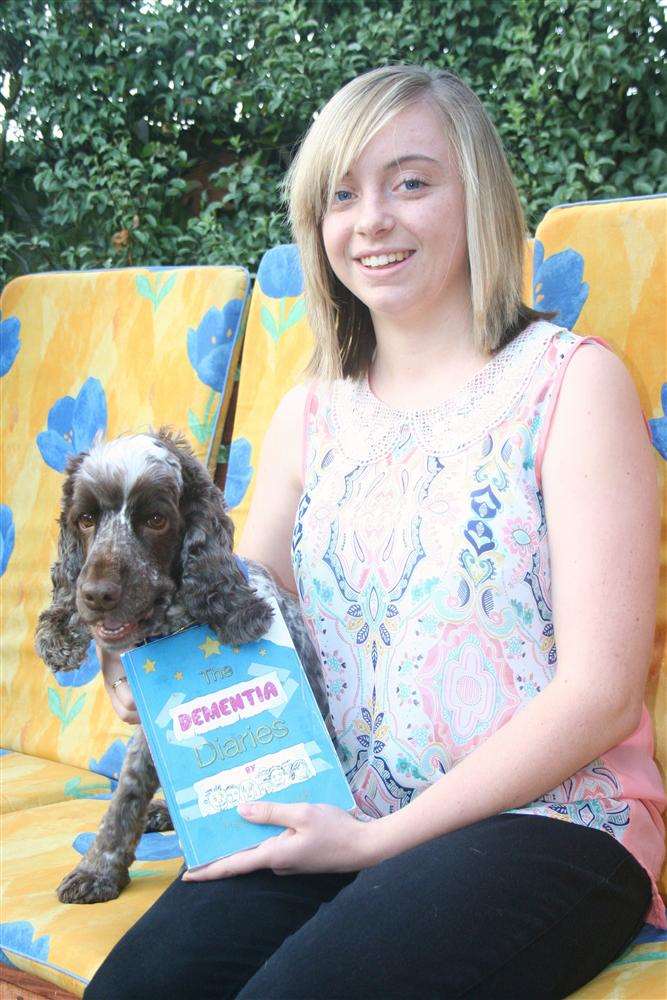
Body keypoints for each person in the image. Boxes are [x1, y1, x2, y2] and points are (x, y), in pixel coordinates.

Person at [86, 65, 665, 999]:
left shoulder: (573, 385)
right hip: (335, 804)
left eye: (410, 182)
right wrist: (149, 660)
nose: (372, 221)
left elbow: (600, 692)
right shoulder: (311, 413)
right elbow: (245, 601)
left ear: (476, 195)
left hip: (550, 822)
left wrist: (377, 842)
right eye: (341, 195)